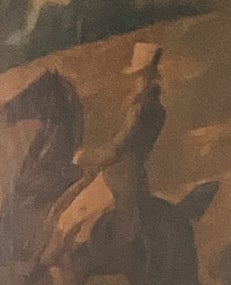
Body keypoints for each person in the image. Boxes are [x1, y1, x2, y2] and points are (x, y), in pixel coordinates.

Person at [42, 42, 165, 268]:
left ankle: (53, 280)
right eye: (137, 76)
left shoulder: (139, 110)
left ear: (147, 76)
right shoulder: (155, 108)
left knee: (66, 220)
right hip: (133, 174)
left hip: (116, 178)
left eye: (139, 76)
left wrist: (86, 157)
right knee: (71, 214)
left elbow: (117, 149)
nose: (136, 82)